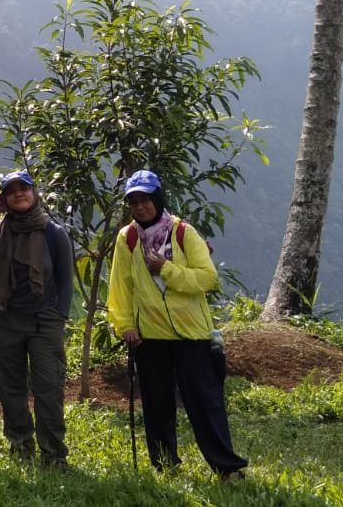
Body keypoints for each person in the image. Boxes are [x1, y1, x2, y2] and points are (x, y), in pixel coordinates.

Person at [107, 169, 247, 481]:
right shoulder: (127, 239)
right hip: (149, 336)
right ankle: (164, 465)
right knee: (157, 404)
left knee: (204, 403)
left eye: (146, 199)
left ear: (158, 198)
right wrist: (125, 325)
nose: (141, 206)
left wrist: (166, 268)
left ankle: (227, 467)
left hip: (191, 334)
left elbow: (207, 278)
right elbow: (119, 287)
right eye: (134, 201)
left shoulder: (183, 232)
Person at [0, 170, 74, 468]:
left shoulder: (53, 232)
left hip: (44, 322)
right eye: (11, 191)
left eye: (25, 189)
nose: (19, 194)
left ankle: (54, 454)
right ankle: (21, 446)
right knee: (10, 387)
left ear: (35, 194)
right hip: (7, 320)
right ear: (4, 198)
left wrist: (58, 316)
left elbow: (65, 279)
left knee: (48, 388)